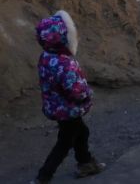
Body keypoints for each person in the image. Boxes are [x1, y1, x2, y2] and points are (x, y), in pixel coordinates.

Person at [33, 11, 105, 184]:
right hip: (68, 108)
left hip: (56, 106)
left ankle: (85, 163)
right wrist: (87, 94)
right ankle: (43, 176)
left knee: (81, 132)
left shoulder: (46, 57)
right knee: (65, 142)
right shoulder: (65, 63)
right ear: (62, 38)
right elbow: (76, 91)